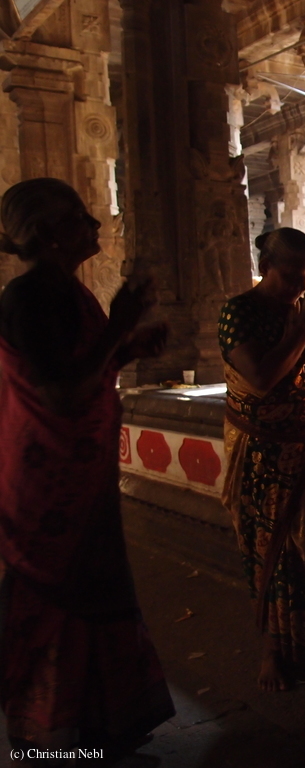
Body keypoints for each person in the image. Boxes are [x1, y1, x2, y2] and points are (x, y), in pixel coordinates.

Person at [0, 178, 174, 758]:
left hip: (78, 473)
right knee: (63, 597)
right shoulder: (29, 296)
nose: (95, 225)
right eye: (78, 216)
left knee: (96, 589)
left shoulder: (64, 291)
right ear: (47, 234)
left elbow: (80, 368)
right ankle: (52, 739)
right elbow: (59, 394)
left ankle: (100, 728)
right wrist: (120, 326)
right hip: (49, 482)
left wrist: (125, 349)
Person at [219, 227, 305, 692]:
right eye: (292, 276)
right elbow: (261, 379)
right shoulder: (240, 312)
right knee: (269, 554)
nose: (301, 286)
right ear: (265, 268)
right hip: (262, 453)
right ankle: (272, 653)